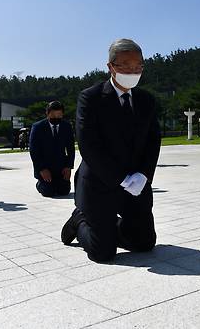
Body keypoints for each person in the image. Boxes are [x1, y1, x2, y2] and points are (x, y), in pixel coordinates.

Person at [61, 38, 161, 262]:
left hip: (135, 183)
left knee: (143, 243)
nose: (132, 70)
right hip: (100, 182)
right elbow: (88, 145)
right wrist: (121, 179)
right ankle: (80, 221)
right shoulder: (91, 98)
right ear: (111, 67)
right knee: (102, 253)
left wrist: (144, 175)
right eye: (125, 65)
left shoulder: (146, 100)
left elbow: (153, 141)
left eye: (138, 66)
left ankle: (106, 228)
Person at [29, 101, 75, 197]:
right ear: (47, 113)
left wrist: (68, 167)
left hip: (61, 168)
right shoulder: (38, 127)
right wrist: (41, 169)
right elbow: (34, 151)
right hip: (45, 168)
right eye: (53, 115)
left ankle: (58, 183)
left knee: (64, 191)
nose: (56, 118)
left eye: (59, 115)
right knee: (48, 192)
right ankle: (39, 184)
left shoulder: (66, 126)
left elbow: (71, 148)